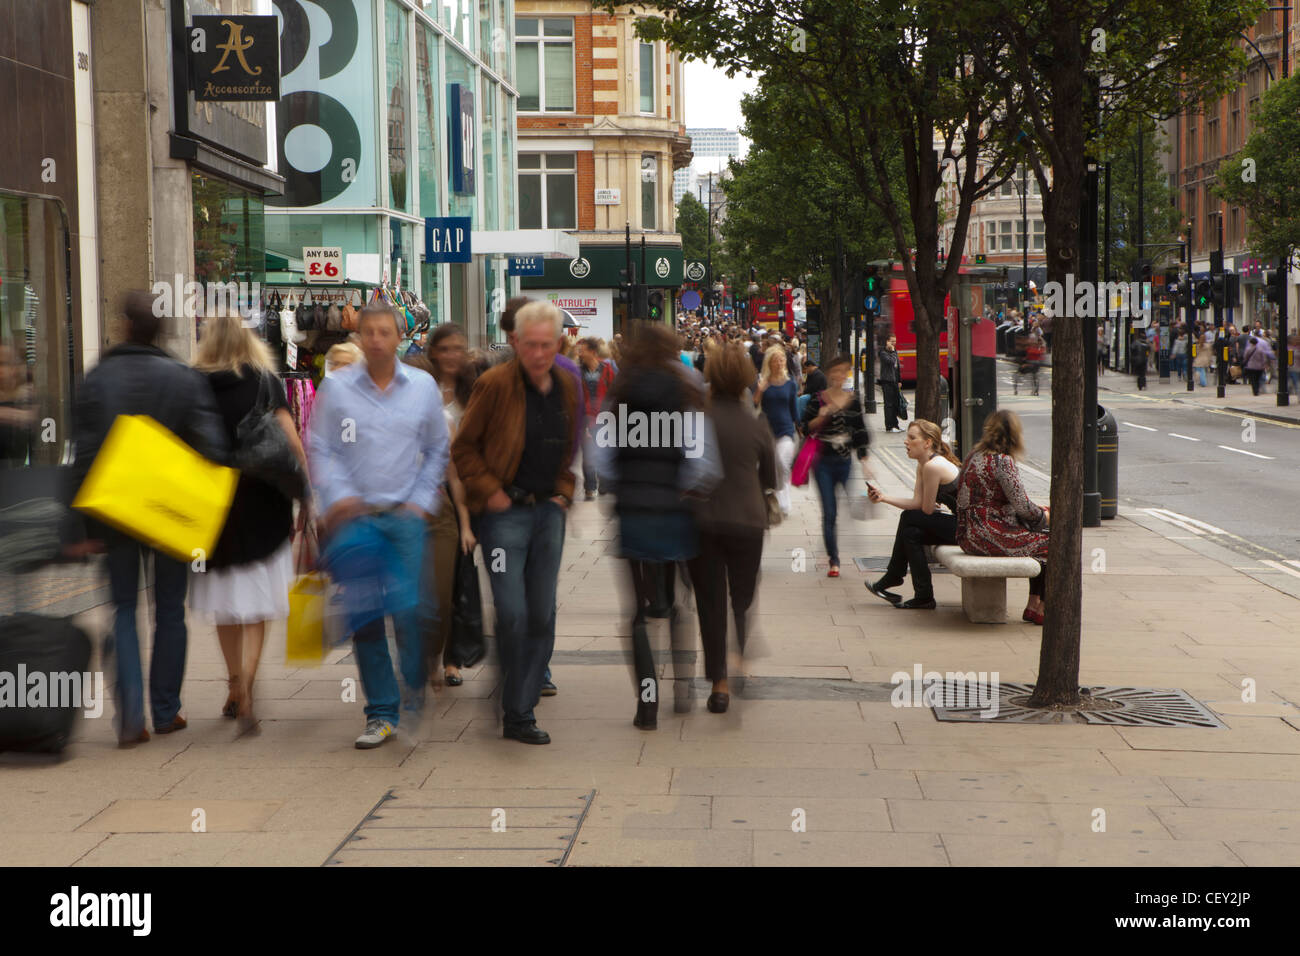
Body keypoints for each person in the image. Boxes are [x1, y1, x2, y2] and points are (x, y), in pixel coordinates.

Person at [65, 292, 228, 746]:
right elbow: (212, 448)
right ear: (161, 330)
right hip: (167, 510)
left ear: (124, 326)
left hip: (116, 510)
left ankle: (131, 714)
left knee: (122, 608)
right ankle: (165, 709)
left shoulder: (98, 378)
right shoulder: (183, 378)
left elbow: (84, 455)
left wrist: (81, 526)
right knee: (171, 610)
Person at [308, 303, 450, 749]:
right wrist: (337, 496)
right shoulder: (338, 389)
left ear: (398, 337)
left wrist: (421, 501)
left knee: (410, 613)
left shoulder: (421, 387)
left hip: (405, 517)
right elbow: (320, 447)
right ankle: (382, 713)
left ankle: (413, 697)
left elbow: (437, 449)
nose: (374, 340)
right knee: (367, 618)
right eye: (367, 332)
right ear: (358, 337)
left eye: (384, 332)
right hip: (356, 520)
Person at [452, 302, 580, 745]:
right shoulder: (494, 384)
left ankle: (517, 706)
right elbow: (464, 448)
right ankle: (516, 705)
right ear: (516, 342)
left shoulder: (567, 384)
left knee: (541, 615)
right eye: (531, 346)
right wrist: (490, 489)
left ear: (559, 343)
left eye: (548, 345)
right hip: (505, 515)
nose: (540, 354)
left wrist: (565, 488)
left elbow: (570, 444)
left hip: (547, 514)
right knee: (512, 613)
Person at [595, 323, 720, 728]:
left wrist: (619, 486)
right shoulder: (686, 387)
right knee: (679, 602)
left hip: (633, 510)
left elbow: (600, 456)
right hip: (674, 508)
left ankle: (646, 703)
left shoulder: (622, 390)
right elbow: (703, 460)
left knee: (637, 611)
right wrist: (686, 488)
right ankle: (683, 688)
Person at [189, 310, 307, 734]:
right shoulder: (264, 380)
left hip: (214, 505)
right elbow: (290, 441)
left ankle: (234, 684)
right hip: (262, 502)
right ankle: (250, 689)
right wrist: (306, 492)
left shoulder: (194, 382)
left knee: (225, 603)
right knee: (256, 605)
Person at [688, 342, 775, 713]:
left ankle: (719, 682)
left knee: (709, 602)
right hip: (748, 521)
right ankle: (741, 655)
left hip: (703, 522)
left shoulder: (697, 420)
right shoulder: (756, 425)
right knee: (742, 596)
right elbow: (771, 478)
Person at [420, 323, 478, 687]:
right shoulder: (419, 387)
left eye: (459, 348)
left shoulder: (474, 390)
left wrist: (468, 520)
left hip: (460, 497)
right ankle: (425, 655)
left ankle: (451, 658)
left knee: (456, 585)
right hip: (419, 502)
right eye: (445, 348)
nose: (452, 355)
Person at [955, 410, 1050, 624]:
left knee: (1039, 539)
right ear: (1015, 435)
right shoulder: (1002, 462)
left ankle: (1033, 605)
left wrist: (1035, 514)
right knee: (1051, 543)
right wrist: (1044, 515)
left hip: (967, 535)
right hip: (989, 535)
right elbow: (1022, 506)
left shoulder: (973, 455)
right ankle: (1041, 608)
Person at [865, 420, 961, 610]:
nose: (906, 442)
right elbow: (919, 504)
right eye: (907, 437)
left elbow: (924, 510)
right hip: (959, 525)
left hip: (968, 528)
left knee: (909, 518)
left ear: (927, 443)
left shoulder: (933, 466)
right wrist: (883, 498)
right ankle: (923, 596)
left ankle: (894, 576)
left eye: (912, 438)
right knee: (911, 533)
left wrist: (929, 504)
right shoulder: (923, 465)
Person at [798, 354, 871, 577]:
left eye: (844, 371)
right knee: (830, 511)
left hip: (845, 461)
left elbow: (860, 431)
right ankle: (834, 559)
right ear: (830, 374)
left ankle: (836, 546)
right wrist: (820, 417)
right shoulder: (818, 399)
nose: (840, 376)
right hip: (823, 463)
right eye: (837, 371)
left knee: (851, 506)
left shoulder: (853, 399)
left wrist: (864, 459)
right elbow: (805, 428)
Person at [754, 345, 798, 515]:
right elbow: (754, 404)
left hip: (786, 428)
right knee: (771, 466)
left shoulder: (790, 384)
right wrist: (760, 390)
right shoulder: (762, 382)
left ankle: (784, 500)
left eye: (781, 360)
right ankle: (778, 498)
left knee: (782, 462)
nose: (779, 363)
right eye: (775, 360)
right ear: (769, 363)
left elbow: (794, 409)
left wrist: (799, 429)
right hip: (767, 430)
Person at [577, 336, 616, 499]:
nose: (580, 353)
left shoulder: (606, 369)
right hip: (586, 417)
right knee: (588, 454)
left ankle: (604, 484)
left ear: (592, 352)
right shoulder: (578, 372)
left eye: (583, 350)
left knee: (604, 451)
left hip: (604, 417)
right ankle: (590, 487)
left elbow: (614, 393)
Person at [878, 335, 902, 432]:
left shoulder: (894, 351)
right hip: (887, 381)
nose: (893, 343)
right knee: (889, 405)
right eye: (892, 341)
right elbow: (891, 362)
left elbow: (897, 367)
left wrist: (899, 380)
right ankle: (889, 426)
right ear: (887, 341)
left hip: (895, 381)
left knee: (895, 404)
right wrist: (892, 351)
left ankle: (896, 425)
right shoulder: (883, 353)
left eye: (895, 341)